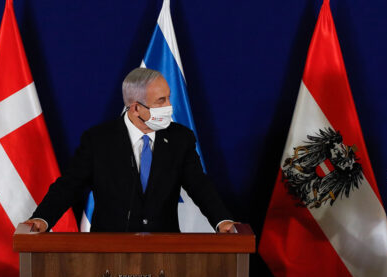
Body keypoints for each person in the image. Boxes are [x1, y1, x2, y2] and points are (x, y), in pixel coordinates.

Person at [23, 67, 234, 233]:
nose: (169, 106)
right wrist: (43, 218)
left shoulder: (180, 138)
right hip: (108, 251)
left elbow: (199, 185)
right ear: (135, 108)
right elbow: (70, 185)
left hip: (166, 251)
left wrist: (222, 220)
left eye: (169, 98)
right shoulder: (98, 141)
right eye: (161, 101)